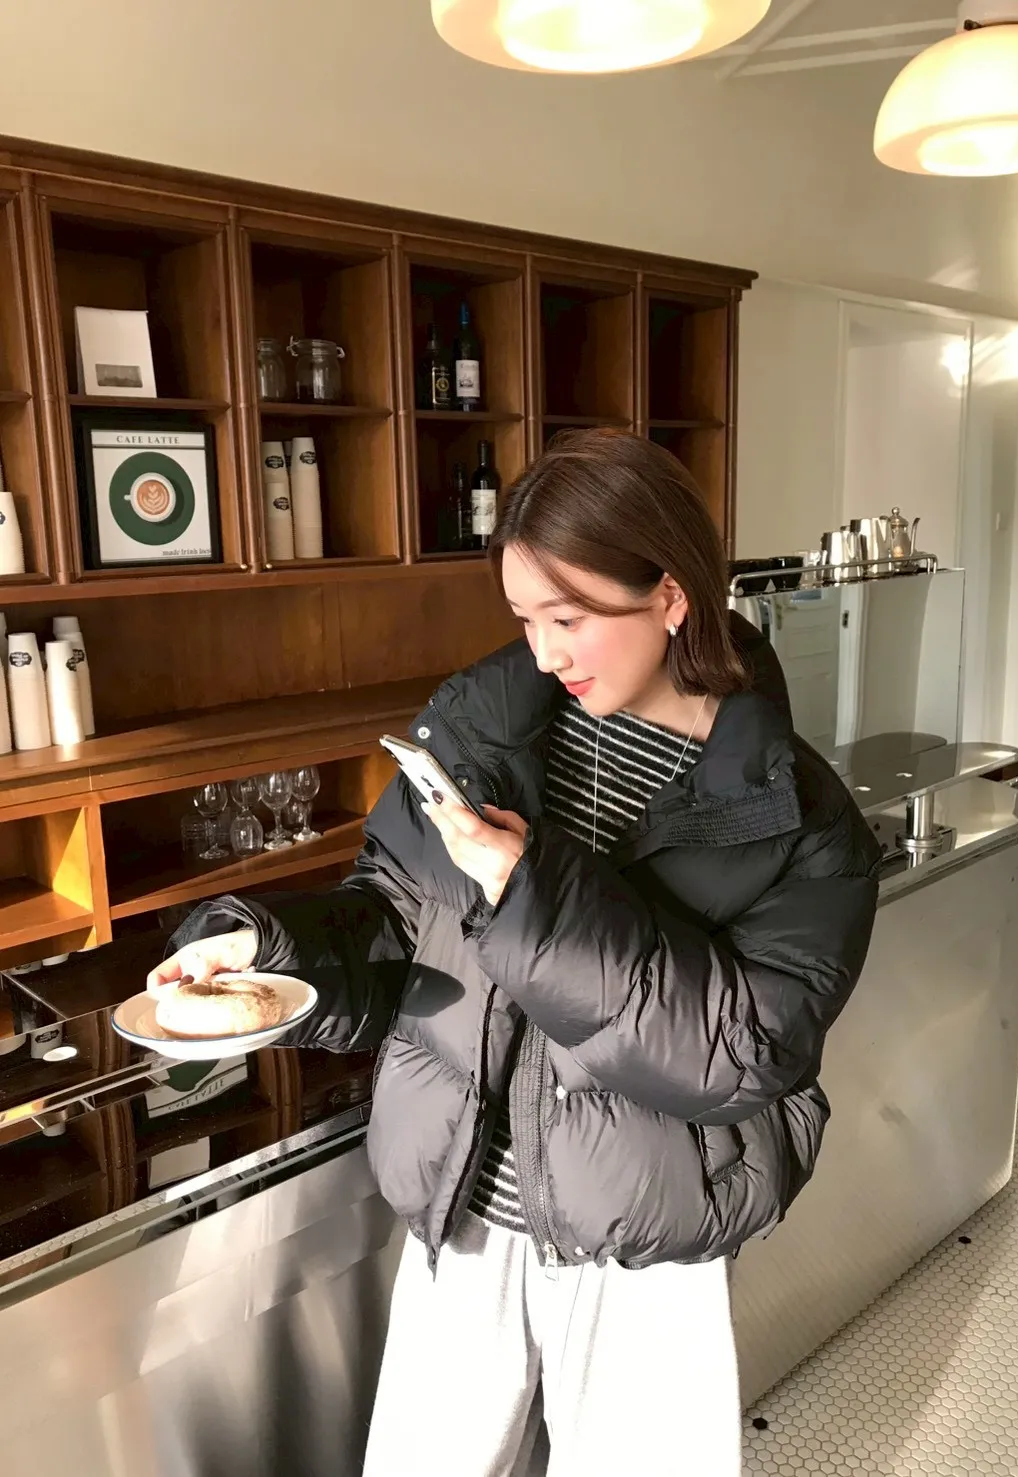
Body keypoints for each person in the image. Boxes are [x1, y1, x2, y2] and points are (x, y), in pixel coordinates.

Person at [152, 430, 881, 1477]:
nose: (544, 654)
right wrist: (265, 954)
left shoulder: (793, 814)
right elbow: (392, 926)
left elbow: (739, 1052)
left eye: (569, 618)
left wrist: (525, 890)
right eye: (525, 619)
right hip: (463, 1210)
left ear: (671, 596)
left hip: (645, 1240)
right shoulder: (476, 739)